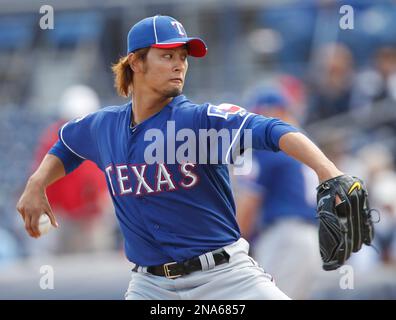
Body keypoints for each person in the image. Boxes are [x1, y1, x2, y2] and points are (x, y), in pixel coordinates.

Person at [17, 15, 345, 300]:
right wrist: (36, 184)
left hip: (224, 277)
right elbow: (66, 147)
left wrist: (327, 171)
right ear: (136, 62)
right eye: (167, 55)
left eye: (184, 56)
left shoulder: (199, 120)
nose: (179, 64)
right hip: (150, 285)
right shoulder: (103, 126)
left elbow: (273, 129)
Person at [236, 88, 321, 299]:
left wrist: (229, 245)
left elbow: (249, 205)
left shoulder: (273, 147)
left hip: (285, 236)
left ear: (279, 111)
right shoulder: (304, 143)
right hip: (306, 236)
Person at [31, 85, 110, 254]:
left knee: (98, 263)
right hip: (62, 217)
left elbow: (104, 178)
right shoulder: (52, 140)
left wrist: (101, 205)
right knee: (64, 265)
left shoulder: (99, 137)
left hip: (92, 218)